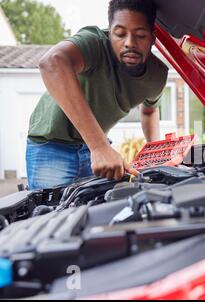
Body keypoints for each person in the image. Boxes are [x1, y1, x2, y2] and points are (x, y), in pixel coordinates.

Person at [26, 0, 168, 190]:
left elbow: (150, 112)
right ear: (109, 33)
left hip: (94, 147)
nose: (129, 43)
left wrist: (156, 155)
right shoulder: (94, 43)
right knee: (53, 216)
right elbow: (52, 63)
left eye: (140, 35)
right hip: (52, 147)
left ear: (153, 38)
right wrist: (99, 147)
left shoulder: (157, 76)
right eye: (119, 34)